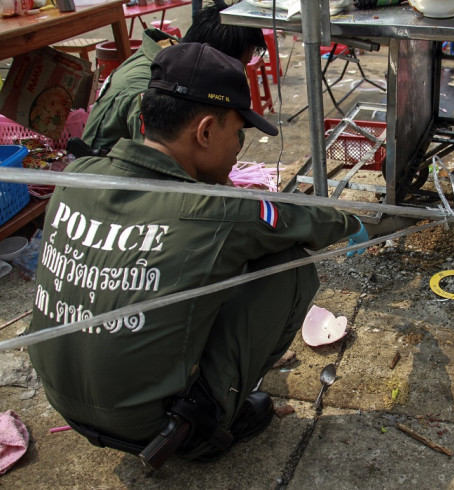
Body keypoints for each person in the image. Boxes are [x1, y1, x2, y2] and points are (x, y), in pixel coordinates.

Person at [29, 42, 370, 465]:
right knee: (289, 267)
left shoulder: (76, 176)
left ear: (142, 119)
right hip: (160, 429)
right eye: (238, 134)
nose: (238, 148)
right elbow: (303, 220)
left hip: (65, 400)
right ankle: (219, 416)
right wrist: (351, 224)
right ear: (206, 131)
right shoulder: (216, 210)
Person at [80, 5, 266, 152]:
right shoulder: (153, 88)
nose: (238, 75)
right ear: (211, 58)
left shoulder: (178, 57)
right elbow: (163, 167)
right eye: (236, 67)